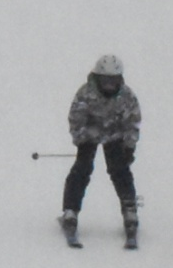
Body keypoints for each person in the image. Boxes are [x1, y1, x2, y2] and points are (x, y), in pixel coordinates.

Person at [59, 54, 141, 248]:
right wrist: (81, 140)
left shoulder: (126, 96)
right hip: (90, 135)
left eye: (113, 81)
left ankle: (129, 208)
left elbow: (132, 121)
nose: (110, 86)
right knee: (82, 169)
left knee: (120, 170)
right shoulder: (86, 93)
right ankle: (70, 210)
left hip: (114, 136)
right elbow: (76, 117)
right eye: (106, 81)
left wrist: (129, 146)